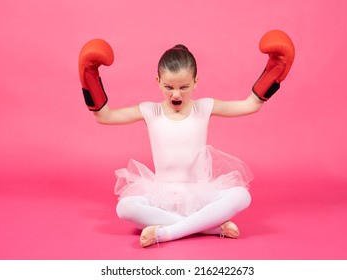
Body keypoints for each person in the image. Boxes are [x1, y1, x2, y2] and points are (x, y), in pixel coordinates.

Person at [78, 30, 295, 247]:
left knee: (242, 196)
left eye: (184, 87)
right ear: (158, 81)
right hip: (160, 193)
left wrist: (274, 70)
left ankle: (167, 232)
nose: (176, 95)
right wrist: (90, 75)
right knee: (125, 208)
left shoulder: (204, 107)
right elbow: (104, 116)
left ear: (195, 82)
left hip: (199, 193)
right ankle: (210, 228)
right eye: (168, 87)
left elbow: (250, 105)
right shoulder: (151, 111)